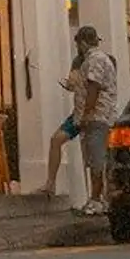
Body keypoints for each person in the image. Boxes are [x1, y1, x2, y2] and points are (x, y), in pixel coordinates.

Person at [34, 33, 90, 200]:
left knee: (90, 154)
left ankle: (95, 194)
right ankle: (50, 183)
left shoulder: (95, 62)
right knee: (56, 139)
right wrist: (69, 83)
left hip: (91, 113)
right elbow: (72, 85)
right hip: (78, 113)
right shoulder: (77, 61)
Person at [72, 24, 118, 215]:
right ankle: (100, 199)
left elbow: (93, 87)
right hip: (102, 116)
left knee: (97, 160)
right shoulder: (101, 59)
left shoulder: (95, 60)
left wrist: (86, 114)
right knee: (98, 159)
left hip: (98, 117)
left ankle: (96, 199)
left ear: (82, 43)